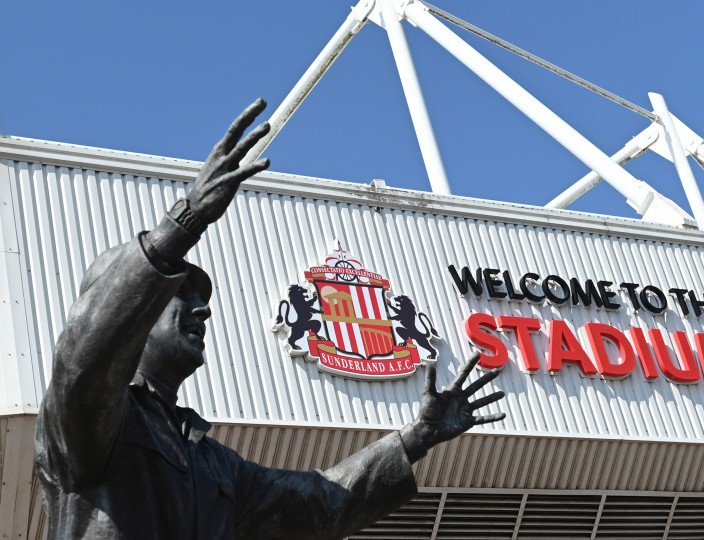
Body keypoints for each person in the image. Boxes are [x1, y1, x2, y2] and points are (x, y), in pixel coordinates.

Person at [34, 99, 506, 539]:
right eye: (180, 294)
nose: (203, 309)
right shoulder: (84, 419)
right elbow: (83, 363)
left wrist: (414, 439)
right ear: (132, 307)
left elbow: (319, 502)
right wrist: (181, 225)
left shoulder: (213, 463)